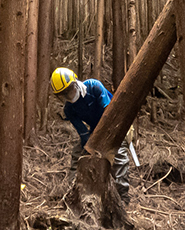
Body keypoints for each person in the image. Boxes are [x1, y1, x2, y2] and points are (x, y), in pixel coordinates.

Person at [51, 67, 132, 200]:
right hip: (95, 129)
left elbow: (109, 113)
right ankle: (74, 193)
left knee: (119, 155)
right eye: (63, 94)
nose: (68, 95)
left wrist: (106, 137)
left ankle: (122, 197)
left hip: (115, 124)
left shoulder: (94, 87)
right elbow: (83, 134)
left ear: (75, 82)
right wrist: (89, 149)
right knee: (78, 153)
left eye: (69, 90)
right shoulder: (69, 110)